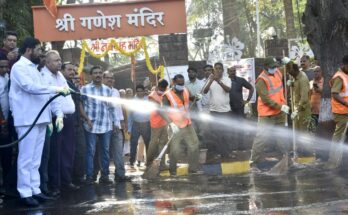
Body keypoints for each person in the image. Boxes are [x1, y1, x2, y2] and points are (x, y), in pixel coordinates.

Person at [9, 37, 69, 206]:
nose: (40, 53)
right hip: (27, 119)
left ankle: (35, 189)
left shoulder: (35, 69)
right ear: (29, 50)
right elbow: (30, 87)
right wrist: (55, 88)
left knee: (36, 159)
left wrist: (56, 114)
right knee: (26, 158)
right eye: (38, 50)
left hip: (40, 119)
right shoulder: (19, 68)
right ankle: (24, 192)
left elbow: (46, 94)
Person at [41, 51, 79, 196]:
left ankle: (66, 181)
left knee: (68, 151)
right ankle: (55, 185)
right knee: (55, 152)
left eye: (60, 60)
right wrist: (58, 116)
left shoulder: (60, 75)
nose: (59, 63)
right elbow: (50, 99)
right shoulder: (44, 76)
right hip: (56, 119)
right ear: (48, 62)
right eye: (56, 60)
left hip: (68, 118)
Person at [250, 57, 290, 171]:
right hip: (267, 114)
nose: (274, 68)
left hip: (280, 112)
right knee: (262, 138)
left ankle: (287, 159)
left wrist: (288, 62)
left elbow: (289, 69)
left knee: (282, 136)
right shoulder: (261, 80)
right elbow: (266, 99)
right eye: (272, 67)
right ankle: (253, 163)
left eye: (275, 66)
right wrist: (281, 106)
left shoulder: (277, 71)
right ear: (265, 67)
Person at [80, 66, 116, 185]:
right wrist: (86, 118)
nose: (98, 75)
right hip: (90, 125)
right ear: (91, 75)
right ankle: (90, 177)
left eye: (100, 73)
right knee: (91, 151)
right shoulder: (85, 89)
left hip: (106, 125)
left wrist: (115, 123)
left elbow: (111, 108)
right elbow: (80, 104)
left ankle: (104, 176)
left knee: (105, 151)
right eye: (95, 73)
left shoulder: (108, 90)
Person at [161, 74, 200, 176]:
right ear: (173, 82)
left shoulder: (185, 90)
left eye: (182, 83)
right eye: (179, 83)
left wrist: (196, 97)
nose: (181, 85)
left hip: (187, 123)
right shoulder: (167, 95)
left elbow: (190, 98)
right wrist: (171, 124)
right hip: (175, 125)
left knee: (194, 144)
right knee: (175, 149)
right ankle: (173, 171)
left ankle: (193, 169)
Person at [102, 71, 130, 182]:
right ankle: (104, 176)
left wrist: (122, 121)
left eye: (112, 78)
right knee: (104, 152)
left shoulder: (116, 92)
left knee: (119, 151)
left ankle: (120, 174)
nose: (110, 80)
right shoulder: (100, 91)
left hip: (117, 126)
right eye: (108, 78)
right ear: (103, 79)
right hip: (105, 127)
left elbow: (118, 108)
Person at [61, 63, 85, 185]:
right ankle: (68, 180)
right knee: (68, 152)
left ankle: (77, 177)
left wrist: (85, 118)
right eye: (69, 69)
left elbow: (78, 102)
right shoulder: (62, 83)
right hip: (66, 122)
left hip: (77, 121)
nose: (72, 72)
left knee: (79, 151)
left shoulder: (72, 84)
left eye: (73, 70)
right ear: (62, 70)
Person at [203, 62, 232, 160]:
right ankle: (221, 153)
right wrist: (211, 80)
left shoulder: (227, 79)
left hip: (225, 111)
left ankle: (226, 153)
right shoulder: (210, 79)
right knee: (216, 134)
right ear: (213, 70)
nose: (218, 70)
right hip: (214, 111)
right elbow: (205, 91)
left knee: (225, 133)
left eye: (220, 68)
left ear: (223, 70)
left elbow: (228, 90)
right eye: (216, 69)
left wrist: (219, 81)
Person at [326, 55, 348, 169]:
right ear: (345, 65)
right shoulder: (339, 77)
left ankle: (341, 160)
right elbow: (335, 94)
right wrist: (346, 104)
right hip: (341, 112)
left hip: (346, 111)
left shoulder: (346, 75)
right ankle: (332, 161)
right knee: (339, 135)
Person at [286, 62, 312, 157]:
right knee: (296, 130)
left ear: (295, 70)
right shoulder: (295, 77)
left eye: (290, 71)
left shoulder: (303, 79)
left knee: (304, 131)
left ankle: (308, 151)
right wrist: (292, 83)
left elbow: (304, 98)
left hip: (303, 110)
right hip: (296, 109)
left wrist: (297, 110)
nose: (289, 73)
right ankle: (298, 149)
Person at [227, 66, 254, 150]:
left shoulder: (240, 80)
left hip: (239, 107)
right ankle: (231, 147)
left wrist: (248, 100)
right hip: (228, 108)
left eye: (234, 71)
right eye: (231, 71)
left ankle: (241, 146)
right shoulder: (225, 80)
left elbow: (251, 88)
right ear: (228, 72)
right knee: (230, 127)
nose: (233, 72)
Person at [146, 79, 169, 171]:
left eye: (164, 89)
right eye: (162, 88)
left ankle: (162, 164)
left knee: (163, 144)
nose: (163, 90)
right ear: (158, 86)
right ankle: (149, 163)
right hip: (155, 123)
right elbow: (159, 110)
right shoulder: (152, 96)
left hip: (164, 122)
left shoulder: (165, 92)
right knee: (153, 144)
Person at [128, 84, 151, 167]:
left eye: (141, 91)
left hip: (146, 124)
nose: (139, 93)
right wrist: (129, 128)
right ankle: (132, 161)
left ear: (144, 91)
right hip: (135, 124)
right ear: (136, 92)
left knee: (148, 143)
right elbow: (130, 115)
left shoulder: (148, 99)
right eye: (138, 91)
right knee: (133, 143)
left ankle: (149, 161)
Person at [0, 53, 12, 187]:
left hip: (7, 121)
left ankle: (7, 185)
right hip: (2, 123)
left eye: (6, 66)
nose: (4, 69)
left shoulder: (7, 76)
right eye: (1, 67)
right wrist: (3, 123)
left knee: (7, 155)